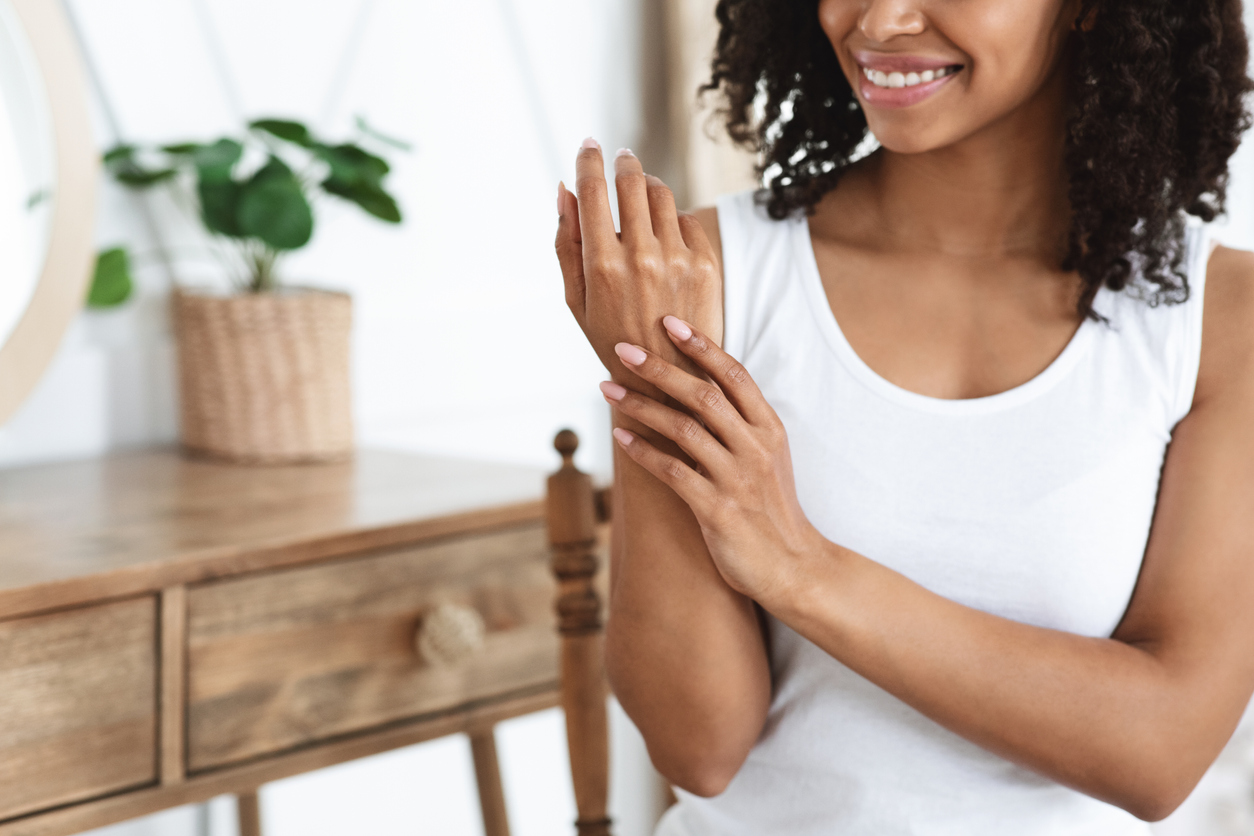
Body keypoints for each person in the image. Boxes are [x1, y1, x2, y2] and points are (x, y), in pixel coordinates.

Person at [553, 0, 1254, 832]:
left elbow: (1159, 749)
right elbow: (699, 751)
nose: (878, 20)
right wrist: (661, 378)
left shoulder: (1221, 320)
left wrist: (801, 569)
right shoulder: (704, 276)